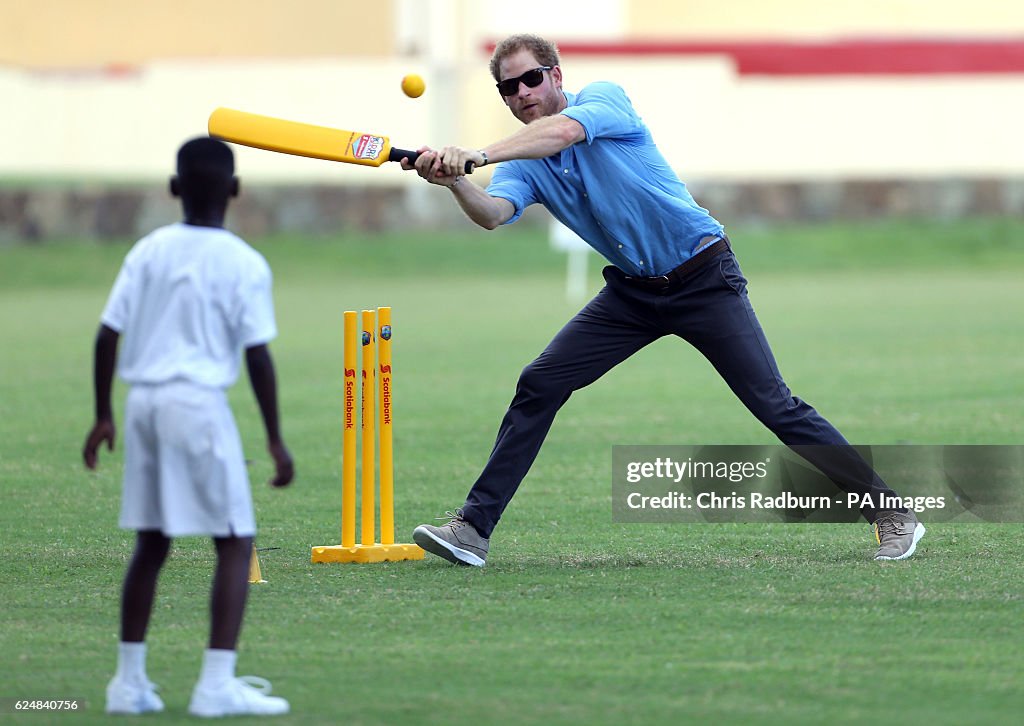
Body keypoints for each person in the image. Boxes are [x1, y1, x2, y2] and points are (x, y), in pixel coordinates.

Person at [405, 33, 925, 566]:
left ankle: (892, 512)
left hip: (703, 276)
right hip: (632, 294)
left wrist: (477, 153)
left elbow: (562, 132)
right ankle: (472, 529)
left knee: (775, 405)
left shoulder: (602, 100)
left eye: (530, 78)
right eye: (508, 88)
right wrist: (454, 181)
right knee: (540, 381)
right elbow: (493, 213)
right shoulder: (523, 164)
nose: (521, 93)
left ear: (556, 76)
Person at [83, 137, 294, 717]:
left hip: (142, 404)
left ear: (174, 189)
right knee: (234, 539)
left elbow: (107, 334)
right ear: (235, 190)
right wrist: (275, 438)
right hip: (197, 405)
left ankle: (127, 683)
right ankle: (215, 685)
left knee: (152, 541)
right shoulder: (244, 262)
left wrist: (103, 414)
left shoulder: (147, 251)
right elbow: (257, 355)